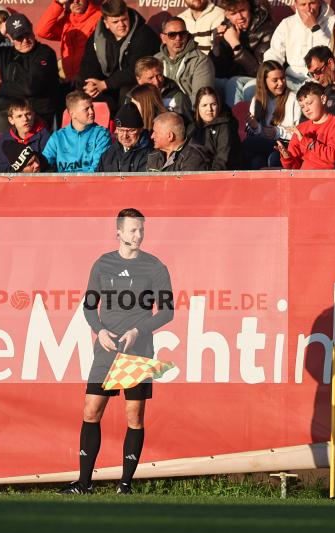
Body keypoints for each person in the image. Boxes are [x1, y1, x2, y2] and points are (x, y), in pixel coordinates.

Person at [60, 208, 173, 495]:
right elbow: (89, 306)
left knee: (134, 416)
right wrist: (99, 330)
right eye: (133, 230)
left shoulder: (155, 267)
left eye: (141, 230)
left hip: (138, 352)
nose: (138, 235)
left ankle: (125, 485)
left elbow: (168, 312)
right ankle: (84, 484)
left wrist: (139, 331)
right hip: (106, 350)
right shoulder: (102, 264)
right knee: (90, 410)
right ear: (119, 233)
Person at [0, 13, 62, 131]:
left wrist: (1, 88)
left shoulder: (45, 53)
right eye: (19, 37)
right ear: (10, 38)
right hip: (7, 112)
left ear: (32, 30)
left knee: (1, 120)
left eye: (27, 34)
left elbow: (30, 87)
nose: (25, 40)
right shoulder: (5, 54)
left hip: (34, 116)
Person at [77, 0, 161, 114]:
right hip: (108, 85)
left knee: (125, 91)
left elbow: (136, 71)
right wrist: (90, 85)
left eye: (124, 19)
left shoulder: (143, 34)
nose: (121, 25)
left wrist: (105, 84)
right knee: (83, 90)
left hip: (136, 84)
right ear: (106, 23)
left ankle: (123, 126)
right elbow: (88, 63)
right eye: (115, 21)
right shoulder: (98, 38)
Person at [210, 0, 276, 106]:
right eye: (233, 13)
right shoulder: (227, 29)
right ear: (227, 15)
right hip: (233, 80)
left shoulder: (266, 29)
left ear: (249, 8)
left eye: (242, 10)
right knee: (209, 82)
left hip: (259, 80)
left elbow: (263, 73)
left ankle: (236, 121)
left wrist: (236, 46)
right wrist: (216, 47)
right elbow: (219, 72)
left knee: (234, 82)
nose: (240, 17)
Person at [264, 0, 335, 91]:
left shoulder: (334, 22)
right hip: (291, 80)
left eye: (312, 3)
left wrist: (315, 28)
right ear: (295, 5)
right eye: (303, 4)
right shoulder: (287, 24)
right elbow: (274, 54)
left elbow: (334, 54)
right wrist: (270, 74)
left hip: (321, 82)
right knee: (253, 88)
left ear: (319, 2)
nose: (308, 9)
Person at [242, 60, 301, 169]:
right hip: (263, 144)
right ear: (264, 82)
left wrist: (277, 132)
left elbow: (298, 133)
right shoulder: (257, 101)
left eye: (282, 78)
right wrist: (256, 127)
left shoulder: (293, 99)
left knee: (270, 156)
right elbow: (254, 132)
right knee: (256, 161)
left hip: (285, 144)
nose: (281, 83)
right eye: (275, 80)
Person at [277, 81, 335, 170]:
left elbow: (333, 157)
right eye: (302, 106)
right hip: (304, 179)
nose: (306, 109)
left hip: (328, 179)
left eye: (309, 103)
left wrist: (305, 141)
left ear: (323, 99)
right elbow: (294, 168)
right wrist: (287, 157)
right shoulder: (300, 128)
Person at [42, 90, 111, 172]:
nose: (91, 112)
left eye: (92, 107)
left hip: (90, 183)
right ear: (72, 114)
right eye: (86, 109)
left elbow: (97, 169)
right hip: (62, 183)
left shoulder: (101, 135)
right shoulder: (57, 137)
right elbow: (44, 164)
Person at [35, 0, 102, 83]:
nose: (75, 1)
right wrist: (58, 4)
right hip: (71, 80)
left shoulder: (100, 18)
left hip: (92, 80)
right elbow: (42, 31)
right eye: (70, 0)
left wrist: (83, 76)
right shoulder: (68, 20)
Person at [156, 17, 216, 105]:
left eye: (182, 34)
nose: (178, 38)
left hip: (187, 113)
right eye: (172, 35)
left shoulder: (201, 61)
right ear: (163, 38)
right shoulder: (156, 60)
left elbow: (201, 100)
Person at [190, 86, 241, 169]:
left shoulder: (226, 127)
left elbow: (223, 160)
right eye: (204, 105)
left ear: (219, 105)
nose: (209, 109)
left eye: (213, 104)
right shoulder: (192, 128)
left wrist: (210, 178)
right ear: (197, 108)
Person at [0, 97, 52, 172]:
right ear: (11, 120)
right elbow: (4, 170)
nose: (25, 119)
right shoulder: (5, 140)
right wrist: (22, 170)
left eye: (28, 114)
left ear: (33, 114)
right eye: (19, 116)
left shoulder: (44, 135)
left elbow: (49, 165)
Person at [146, 112, 210, 171]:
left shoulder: (193, 158)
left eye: (156, 132)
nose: (152, 136)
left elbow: (189, 183)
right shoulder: (154, 156)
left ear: (170, 136)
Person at [98, 102, 151, 172]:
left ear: (140, 130)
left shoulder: (151, 153)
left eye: (131, 131)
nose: (125, 136)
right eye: (121, 130)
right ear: (116, 130)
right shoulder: (108, 154)